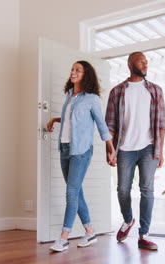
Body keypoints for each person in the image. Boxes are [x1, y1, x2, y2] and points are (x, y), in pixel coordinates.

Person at [47, 60, 116, 252]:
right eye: (72, 69)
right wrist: (54, 119)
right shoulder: (70, 96)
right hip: (65, 149)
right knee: (77, 192)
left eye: (78, 70)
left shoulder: (91, 98)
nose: (73, 72)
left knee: (71, 193)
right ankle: (90, 232)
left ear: (86, 75)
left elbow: (101, 124)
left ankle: (63, 238)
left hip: (81, 151)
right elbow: (72, 119)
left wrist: (110, 148)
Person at [105, 51, 165, 250]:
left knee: (147, 190)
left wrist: (161, 151)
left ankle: (144, 234)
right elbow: (111, 124)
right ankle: (128, 219)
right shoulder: (117, 92)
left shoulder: (155, 90)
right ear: (130, 63)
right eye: (142, 61)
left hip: (149, 147)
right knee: (122, 189)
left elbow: (162, 124)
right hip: (125, 148)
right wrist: (111, 149)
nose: (145, 65)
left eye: (147, 62)